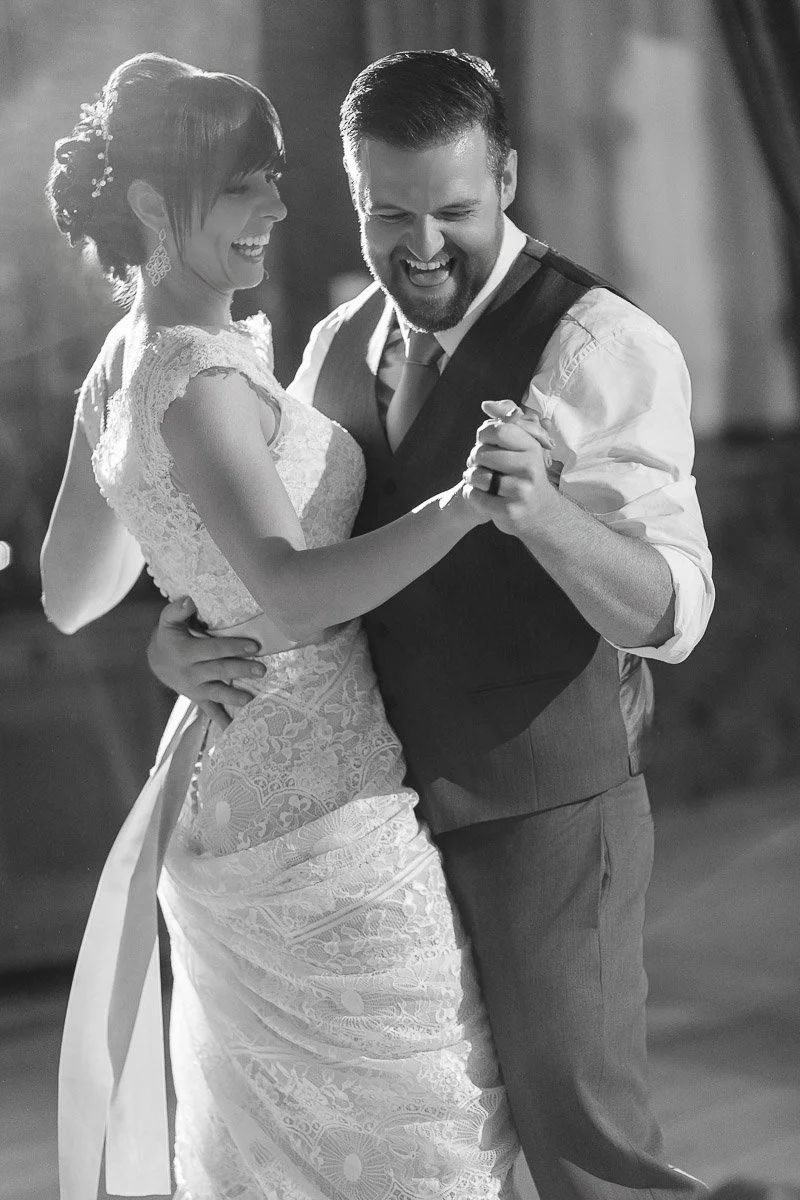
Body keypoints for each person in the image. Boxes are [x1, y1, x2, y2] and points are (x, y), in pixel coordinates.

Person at [148, 50, 715, 1200]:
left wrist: (543, 514)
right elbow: (284, 554)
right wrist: (172, 641)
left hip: (540, 818)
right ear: (353, 196)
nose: (418, 246)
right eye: (386, 212)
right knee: (453, 1157)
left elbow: (671, 612)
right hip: (375, 833)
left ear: (504, 177)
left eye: (453, 210)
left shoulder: (600, 346)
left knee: (586, 1158)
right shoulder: (338, 340)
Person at [41, 52, 525, 1200]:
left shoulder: (119, 371)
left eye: (273, 178)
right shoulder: (192, 372)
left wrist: (180, 613)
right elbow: (291, 592)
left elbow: (71, 593)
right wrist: (465, 506)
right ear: (155, 207)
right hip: (324, 824)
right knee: (429, 1145)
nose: (276, 208)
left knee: (282, 1161)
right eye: (241, 187)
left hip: (224, 815)